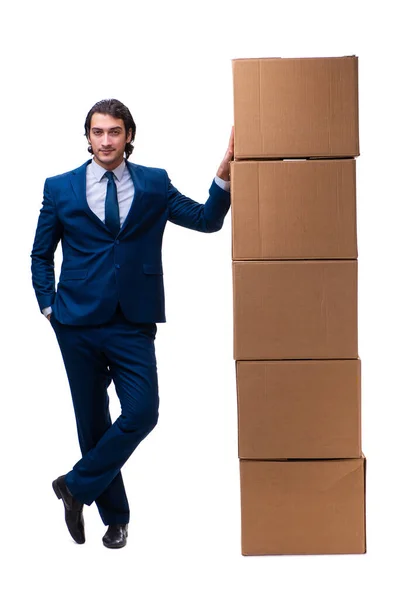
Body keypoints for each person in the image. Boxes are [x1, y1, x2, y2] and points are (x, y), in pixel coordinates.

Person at [31, 98, 233, 549]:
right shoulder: (60, 187)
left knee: (142, 411)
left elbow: (205, 220)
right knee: (93, 423)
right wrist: (49, 307)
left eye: (115, 132)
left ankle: (74, 486)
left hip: (132, 321)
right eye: (98, 132)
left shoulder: (154, 184)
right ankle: (116, 519)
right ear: (88, 137)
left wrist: (224, 173)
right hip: (76, 322)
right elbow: (41, 254)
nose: (106, 140)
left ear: (128, 136)